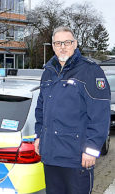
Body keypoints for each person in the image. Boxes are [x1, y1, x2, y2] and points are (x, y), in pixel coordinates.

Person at [34, 26, 110, 194]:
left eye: (67, 42)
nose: (62, 47)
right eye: (58, 43)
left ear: (75, 44)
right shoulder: (48, 72)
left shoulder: (90, 71)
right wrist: (39, 136)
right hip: (51, 156)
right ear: (53, 46)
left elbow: (100, 115)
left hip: (76, 159)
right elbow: (41, 109)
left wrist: (91, 150)